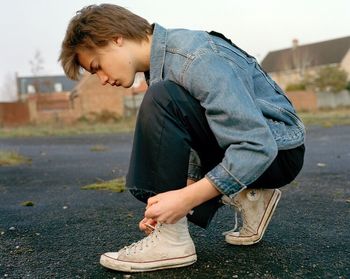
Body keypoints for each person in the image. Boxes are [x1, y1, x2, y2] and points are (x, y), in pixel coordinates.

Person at [59, 4, 305, 273]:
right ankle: (250, 197)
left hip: (278, 151)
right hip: (260, 149)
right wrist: (169, 202)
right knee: (163, 100)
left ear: (116, 38)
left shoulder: (195, 57)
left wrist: (186, 199)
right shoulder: (165, 68)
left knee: (161, 99)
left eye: (97, 67)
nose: (102, 79)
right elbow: (197, 135)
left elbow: (256, 146)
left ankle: (172, 242)